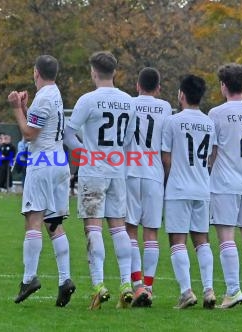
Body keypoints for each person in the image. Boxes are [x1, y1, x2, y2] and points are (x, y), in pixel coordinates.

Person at [64, 51, 136, 309]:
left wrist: (85, 153)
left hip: (94, 171)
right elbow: (128, 140)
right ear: (114, 72)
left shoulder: (88, 100)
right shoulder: (129, 101)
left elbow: (69, 135)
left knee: (93, 228)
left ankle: (99, 285)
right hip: (118, 171)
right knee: (118, 227)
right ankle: (126, 284)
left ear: (94, 72)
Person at [8, 54, 75, 307]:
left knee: (33, 218)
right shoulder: (54, 93)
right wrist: (26, 110)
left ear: (36, 72)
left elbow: (28, 134)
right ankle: (65, 279)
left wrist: (16, 108)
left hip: (43, 162)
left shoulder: (43, 97)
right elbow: (39, 126)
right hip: (59, 160)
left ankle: (29, 279)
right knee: (54, 222)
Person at [208, 63, 242, 308]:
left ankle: (233, 291)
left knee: (226, 238)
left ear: (223, 85)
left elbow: (212, 150)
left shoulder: (216, 113)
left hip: (224, 183)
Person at [161, 74, 216, 309]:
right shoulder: (209, 123)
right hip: (202, 187)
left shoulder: (173, 121)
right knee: (202, 240)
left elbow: (166, 158)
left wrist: (166, 181)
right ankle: (209, 290)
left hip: (179, 188)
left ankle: (186, 292)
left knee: (177, 240)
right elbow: (212, 155)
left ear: (181, 94)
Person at [124, 67, 172, 307]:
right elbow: (166, 150)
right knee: (151, 231)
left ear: (137, 85)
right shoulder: (165, 108)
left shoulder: (130, 104)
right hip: (154, 173)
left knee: (130, 229)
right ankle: (149, 287)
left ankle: (137, 284)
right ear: (159, 87)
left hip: (131, 172)